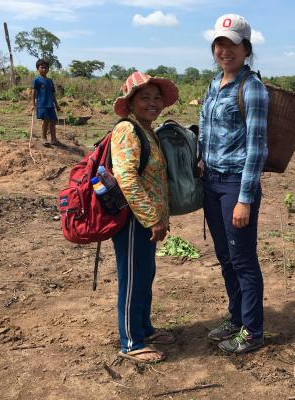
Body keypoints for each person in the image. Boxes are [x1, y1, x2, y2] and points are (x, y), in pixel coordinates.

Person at [199, 14, 269, 354]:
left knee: (243, 259)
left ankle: (253, 331)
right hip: (212, 183)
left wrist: (245, 199)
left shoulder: (252, 88)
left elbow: (257, 148)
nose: (225, 50)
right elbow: (204, 127)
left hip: (235, 185)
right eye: (219, 44)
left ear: (246, 49)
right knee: (225, 256)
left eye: (232, 44)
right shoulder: (214, 85)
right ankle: (236, 317)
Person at [110, 71, 179, 363]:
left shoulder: (147, 129)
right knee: (132, 277)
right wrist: (151, 218)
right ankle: (130, 341)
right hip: (133, 220)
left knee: (144, 274)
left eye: (156, 98)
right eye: (144, 98)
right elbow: (126, 177)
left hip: (147, 221)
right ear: (130, 102)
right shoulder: (128, 130)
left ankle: (144, 328)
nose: (152, 103)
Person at [31, 59, 62, 147]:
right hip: (42, 104)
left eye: (46, 68)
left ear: (48, 69)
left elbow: (52, 94)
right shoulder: (37, 80)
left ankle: (53, 139)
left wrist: (56, 104)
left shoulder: (50, 81)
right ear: (38, 69)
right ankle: (44, 138)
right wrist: (33, 105)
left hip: (50, 105)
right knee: (46, 121)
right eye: (42, 67)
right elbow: (34, 93)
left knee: (53, 121)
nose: (44, 69)